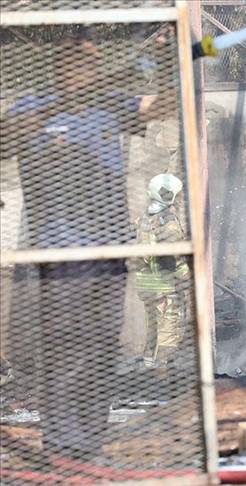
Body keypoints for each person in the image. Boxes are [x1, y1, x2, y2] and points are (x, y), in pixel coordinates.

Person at [1, 35, 172, 463]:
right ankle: (62, 447)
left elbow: (161, 106)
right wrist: (60, 105)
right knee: (63, 350)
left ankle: (89, 445)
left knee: (100, 349)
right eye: (82, 62)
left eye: (95, 63)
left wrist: (170, 58)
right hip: (59, 256)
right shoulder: (31, 107)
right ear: (62, 65)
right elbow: (7, 132)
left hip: (110, 254)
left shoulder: (108, 104)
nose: (90, 70)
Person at [134, 174, 190, 369]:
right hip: (165, 286)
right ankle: (161, 376)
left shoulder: (144, 218)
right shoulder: (169, 222)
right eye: (178, 194)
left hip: (146, 285)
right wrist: (187, 276)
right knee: (169, 332)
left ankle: (147, 370)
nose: (181, 198)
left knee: (153, 330)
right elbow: (175, 256)